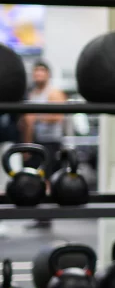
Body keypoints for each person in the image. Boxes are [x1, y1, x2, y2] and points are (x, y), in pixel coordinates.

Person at [22, 60, 67, 229]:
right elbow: (28, 122)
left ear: (48, 74)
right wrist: (27, 145)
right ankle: (40, 215)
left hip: (51, 142)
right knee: (37, 177)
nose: (38, 74)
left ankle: (46, 215)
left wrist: (37, 117)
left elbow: (59, 116)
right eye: (36, 72)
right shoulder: (33, 94)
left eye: (42, 71)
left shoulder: (54, 93)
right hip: (37, 141)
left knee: (47, 178)